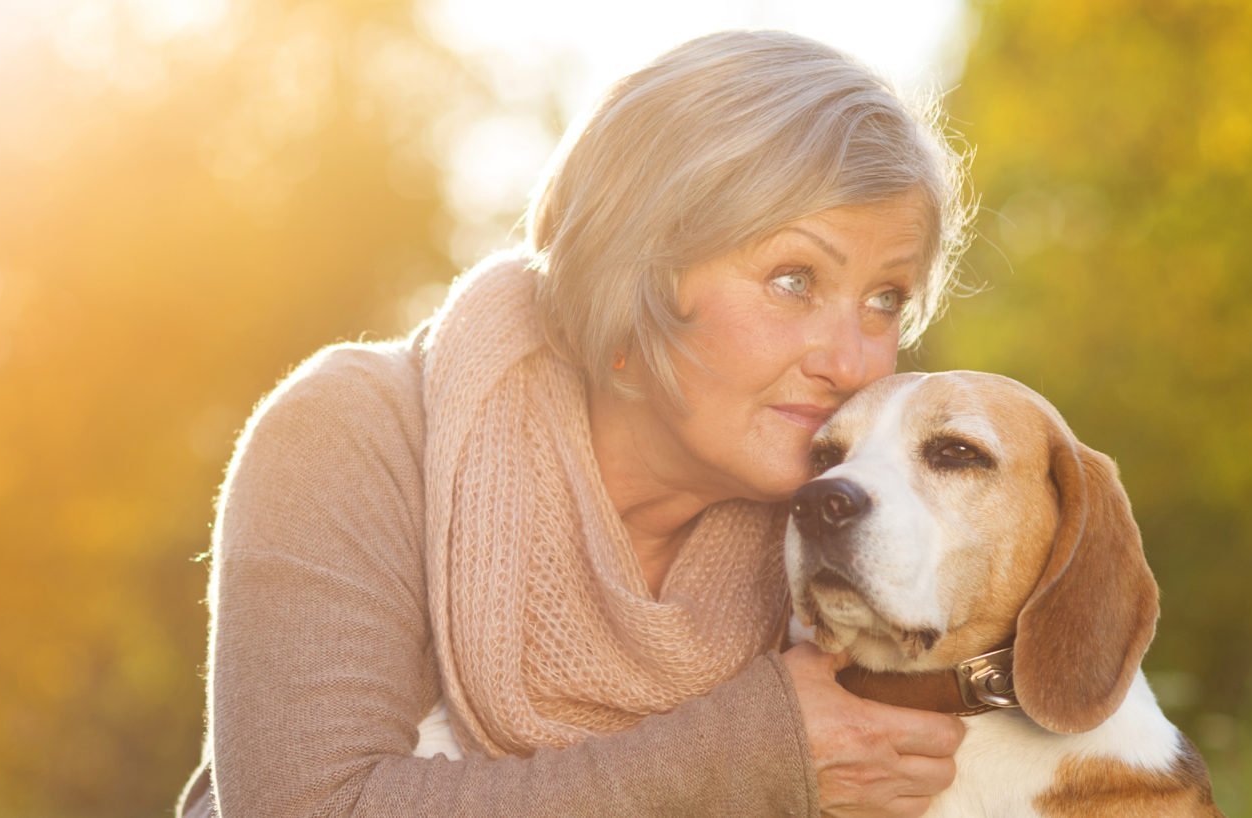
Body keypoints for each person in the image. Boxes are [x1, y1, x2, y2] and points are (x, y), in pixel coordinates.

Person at [178, 29, 973, 817]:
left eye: (886, 300)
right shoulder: (359, 434)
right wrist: (751, 759)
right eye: (794, 279)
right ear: (639, 269)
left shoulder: (850, 535)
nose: (852, 363)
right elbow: (310, 806)